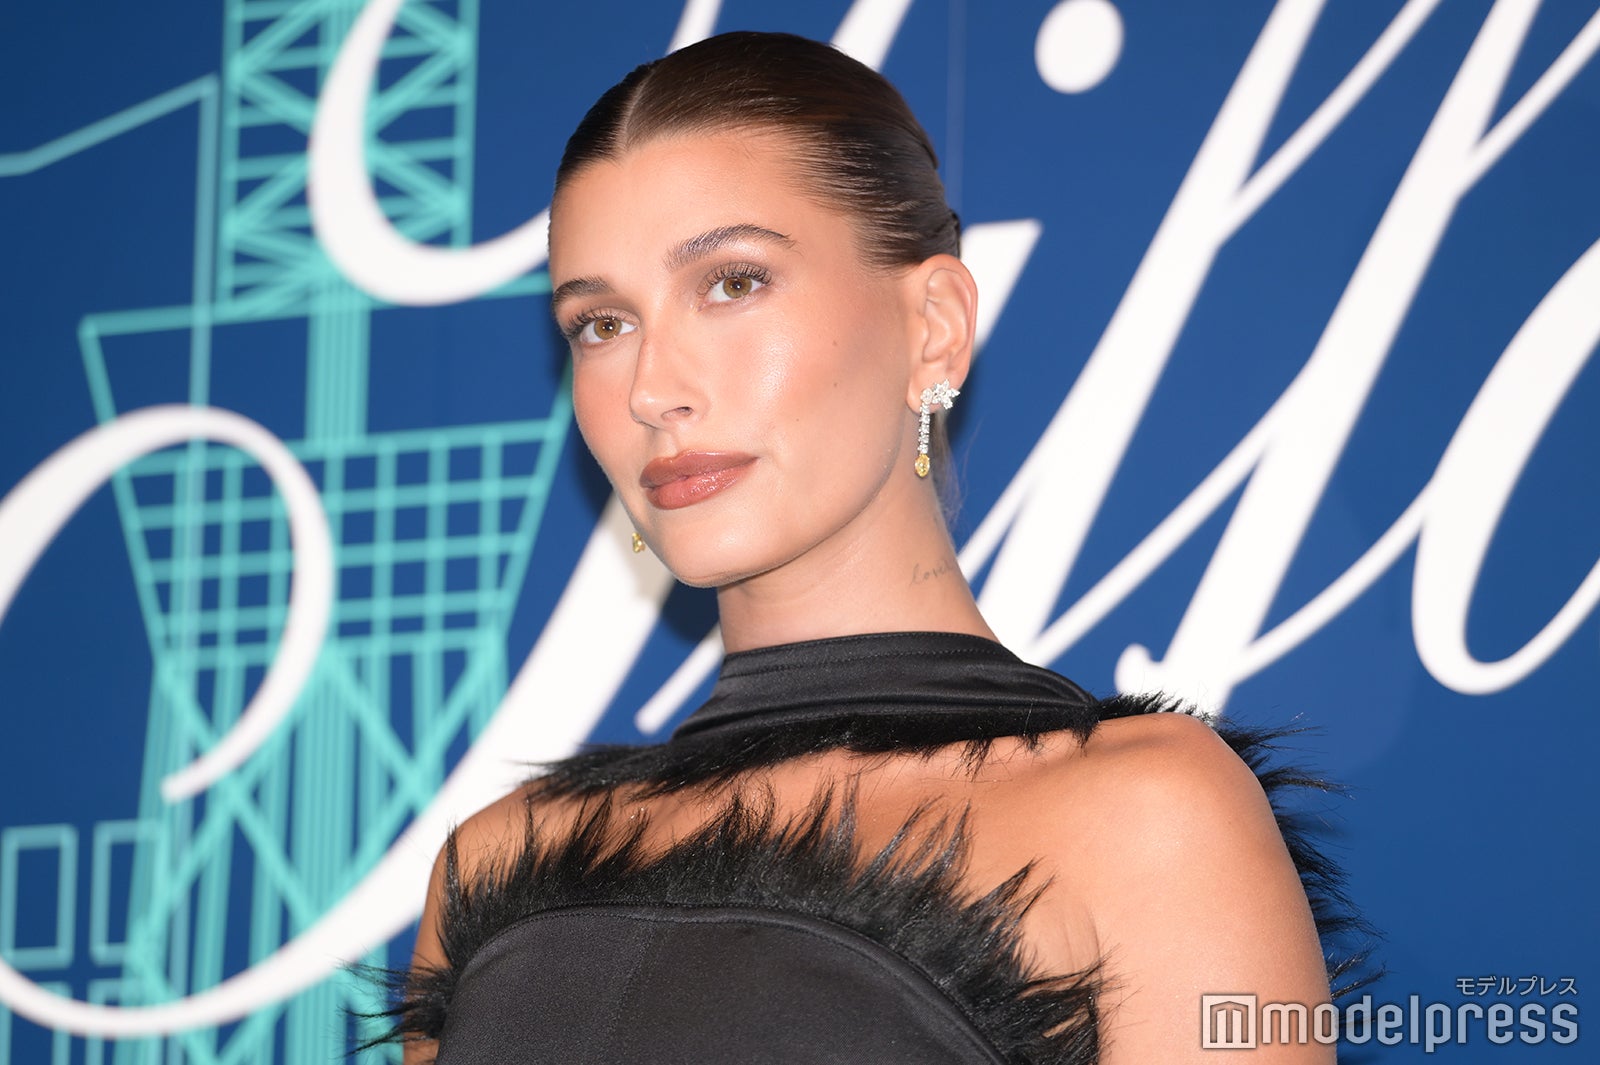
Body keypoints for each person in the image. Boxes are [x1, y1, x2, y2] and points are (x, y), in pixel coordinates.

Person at [383, 30, 1364, 1064]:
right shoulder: (494, 867)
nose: (651, 389)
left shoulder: (1145, 815)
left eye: (732, 283)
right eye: (601, 323)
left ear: (934, 325)